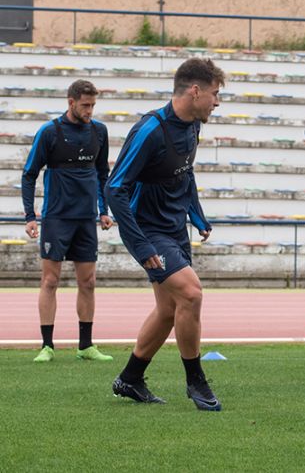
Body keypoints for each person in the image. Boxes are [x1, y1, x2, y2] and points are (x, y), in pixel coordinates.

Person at [105, 58, 223, 411]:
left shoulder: (192, 126)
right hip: (148, 230)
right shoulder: (149, 130)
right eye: (216, 94)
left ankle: (130, 378)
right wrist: (141, 245)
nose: (217, 102)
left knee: (169, 309)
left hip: (174, 228)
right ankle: (196, 382)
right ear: (195, 91)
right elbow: (114, 189)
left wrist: (198, 216)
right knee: (191, 293)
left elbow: (185, 175)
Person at [21, 79, 113, 363]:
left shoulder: (99, 131)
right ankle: (47, 345)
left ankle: (85, 346)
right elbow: (29, 174)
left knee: (89, 282)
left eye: (93, 105)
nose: (90, 110)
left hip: (86, 219)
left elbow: (102, 174)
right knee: (50, 280)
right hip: (56, 218)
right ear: (70, 102)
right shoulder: (50, 132)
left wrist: (103, 210)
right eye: (85, 105)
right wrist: (29, 215)